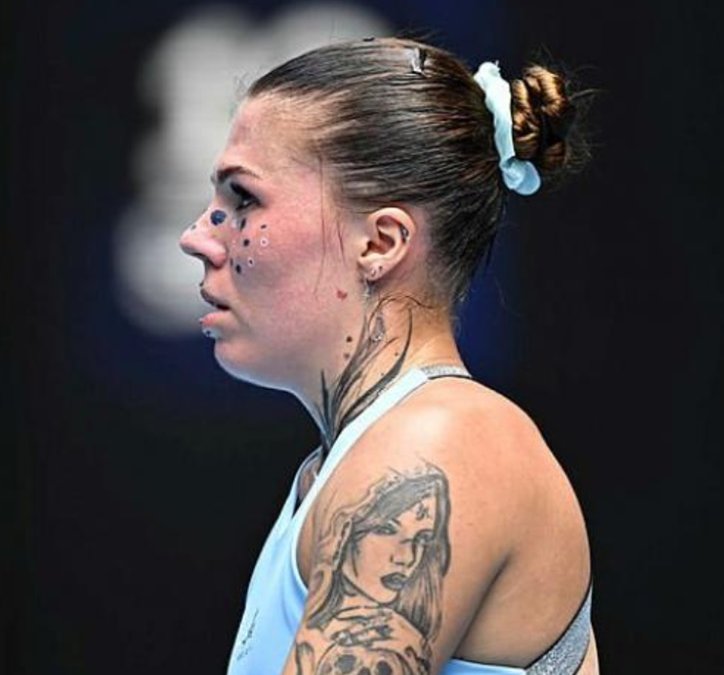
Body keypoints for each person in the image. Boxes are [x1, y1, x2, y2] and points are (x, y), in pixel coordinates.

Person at [178, 36, 597, 675]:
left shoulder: (436, 446)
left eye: (243, 199)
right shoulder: (344, 467)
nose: (196, 237)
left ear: (380, 243)